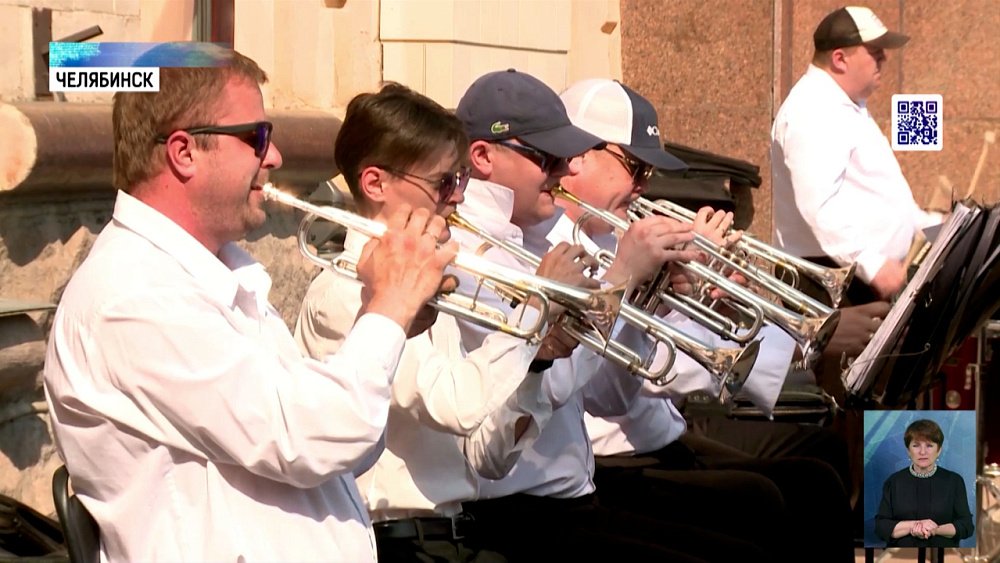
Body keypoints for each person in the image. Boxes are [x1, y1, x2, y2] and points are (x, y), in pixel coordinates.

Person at [42, 49, 456, 562]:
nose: (275, 156)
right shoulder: (135, 295)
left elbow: (351, 448)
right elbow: (312, 438)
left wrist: (383, 317)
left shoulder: (218, 273)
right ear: (184, 152)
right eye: (257, 137)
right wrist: (388, 309)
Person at [451, 69, 770, 563]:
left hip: (571, 490)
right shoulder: (478, 251)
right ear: (483, 157)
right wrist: (624, 282)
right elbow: (546, 384)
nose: (562, 172)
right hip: (522, 505)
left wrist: (651, 298)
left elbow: (609, 393)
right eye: (548, 158)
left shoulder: (524, 237)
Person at [293, 82, 599, 562]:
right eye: (443, 184)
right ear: (375, 184)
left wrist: (536, 364)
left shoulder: (430, 275)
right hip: (395, 541)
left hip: (459, 531)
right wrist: (537, 311)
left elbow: (486, 459)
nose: (457, 198)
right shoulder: (345, 292)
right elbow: (454, 403)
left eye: (460, 180)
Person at [556, 77, 855, 562]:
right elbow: (627, 383)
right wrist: (655, 290)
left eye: (650, 172)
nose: (643, 185)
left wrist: (710, 294)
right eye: (635, 166)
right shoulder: (558, 243)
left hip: (657, 431)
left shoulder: (616, 233)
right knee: (776, 498)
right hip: (612, 455)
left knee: (817, 469)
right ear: (578, 155)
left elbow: (660, 360)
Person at [771, 5, 943, 304]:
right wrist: (873, 265)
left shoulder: (845, 105)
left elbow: (876, 190)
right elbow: (820, 206)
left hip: (856, 277)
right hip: (833, 281)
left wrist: (932, 226)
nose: (884, 59)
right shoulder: (813, 109)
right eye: (875, 52)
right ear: (840, 59)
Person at [875, 419, 975, 547]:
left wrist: (935, 530)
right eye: (916, 445)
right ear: (908, 451)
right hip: (902, 555)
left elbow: (966, 525)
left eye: (929, 445)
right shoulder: (894, 482)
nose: (922, 452)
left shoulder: (954, 481)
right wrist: (915, 525)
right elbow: (881, 527)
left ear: (939, 450)